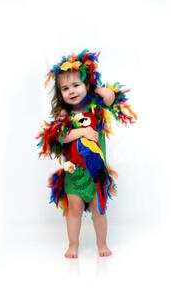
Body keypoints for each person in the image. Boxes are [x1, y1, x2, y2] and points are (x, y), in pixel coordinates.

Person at [36, 49, 137, 258]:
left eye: (76, 85)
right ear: (60, 93)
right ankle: (73, 245)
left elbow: (110, 98)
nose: (71, 91)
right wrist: (82, 131)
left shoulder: (95, 108)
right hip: (74, 174)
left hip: (96, 173)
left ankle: (102, 244)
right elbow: (61, 138)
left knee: (99, 210)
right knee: (73, 210)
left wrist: (96, 87)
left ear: (86, 84)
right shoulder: (64, 116)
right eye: (65, 88)